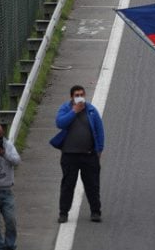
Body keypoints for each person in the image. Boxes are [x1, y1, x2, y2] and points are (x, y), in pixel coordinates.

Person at [51, 85, 105, 223]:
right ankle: (63, 213)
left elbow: (99, 130)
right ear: (72, 97)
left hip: (89, 155)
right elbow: (60, 123)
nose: (80, 97)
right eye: (76, 95)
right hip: (70, 156)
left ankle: (95, 211)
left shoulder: (91, 110)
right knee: (68, 185)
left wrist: (99, 149)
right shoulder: (65, 108)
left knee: (92, 185)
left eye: (81, 94)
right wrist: (74, 111)